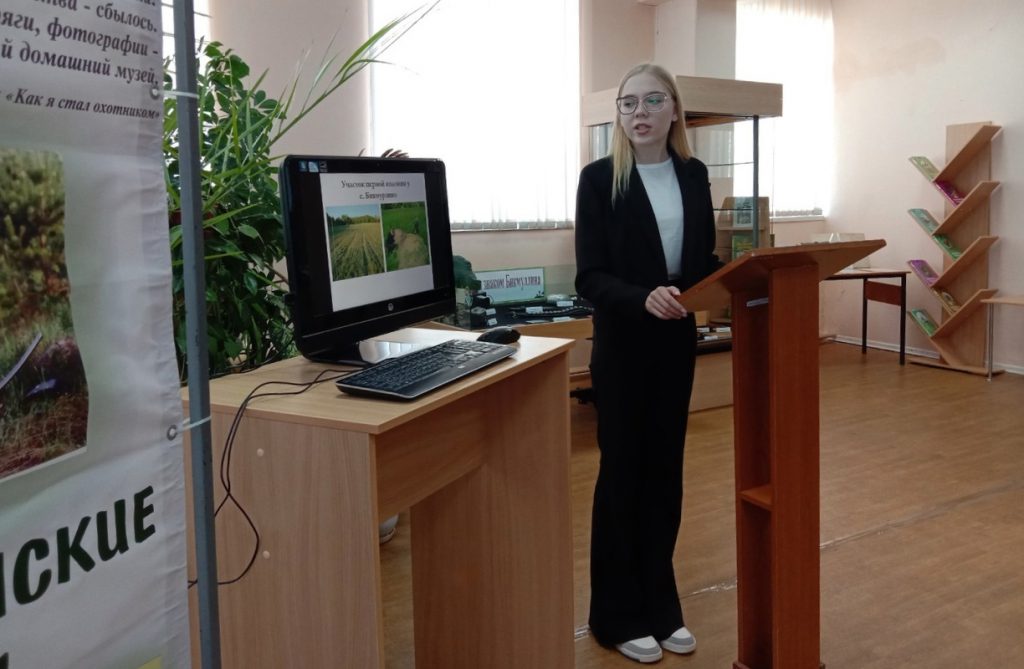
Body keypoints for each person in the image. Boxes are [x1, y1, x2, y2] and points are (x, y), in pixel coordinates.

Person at [574, 63, 722, 664]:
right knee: (622, 475)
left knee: (665, 474)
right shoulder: (599, 179)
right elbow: (590, 276)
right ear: (619, 114)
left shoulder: (693, 173)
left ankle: (661, 605)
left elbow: (703, 260)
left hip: (675, 343)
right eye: (628, 102)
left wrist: (745, 278)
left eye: (653, 100)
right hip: (623, 345)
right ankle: (615, 615)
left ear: (674, 110)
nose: (639, 112)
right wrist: (642, 297)